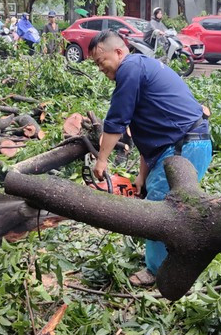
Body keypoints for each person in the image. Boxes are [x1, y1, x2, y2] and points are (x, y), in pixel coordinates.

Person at [89, 30, 212, 286]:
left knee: (161, 211)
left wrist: (102, 160)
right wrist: (142, 175)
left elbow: (117, 119)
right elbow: (149, 133)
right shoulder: (141, 68)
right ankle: (174, 258)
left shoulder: (130, 68)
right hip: (183, 144)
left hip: (184, 147)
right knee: (168, 204)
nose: (100, 68)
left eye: (101, 61)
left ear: (119, 52)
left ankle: (159, 272)